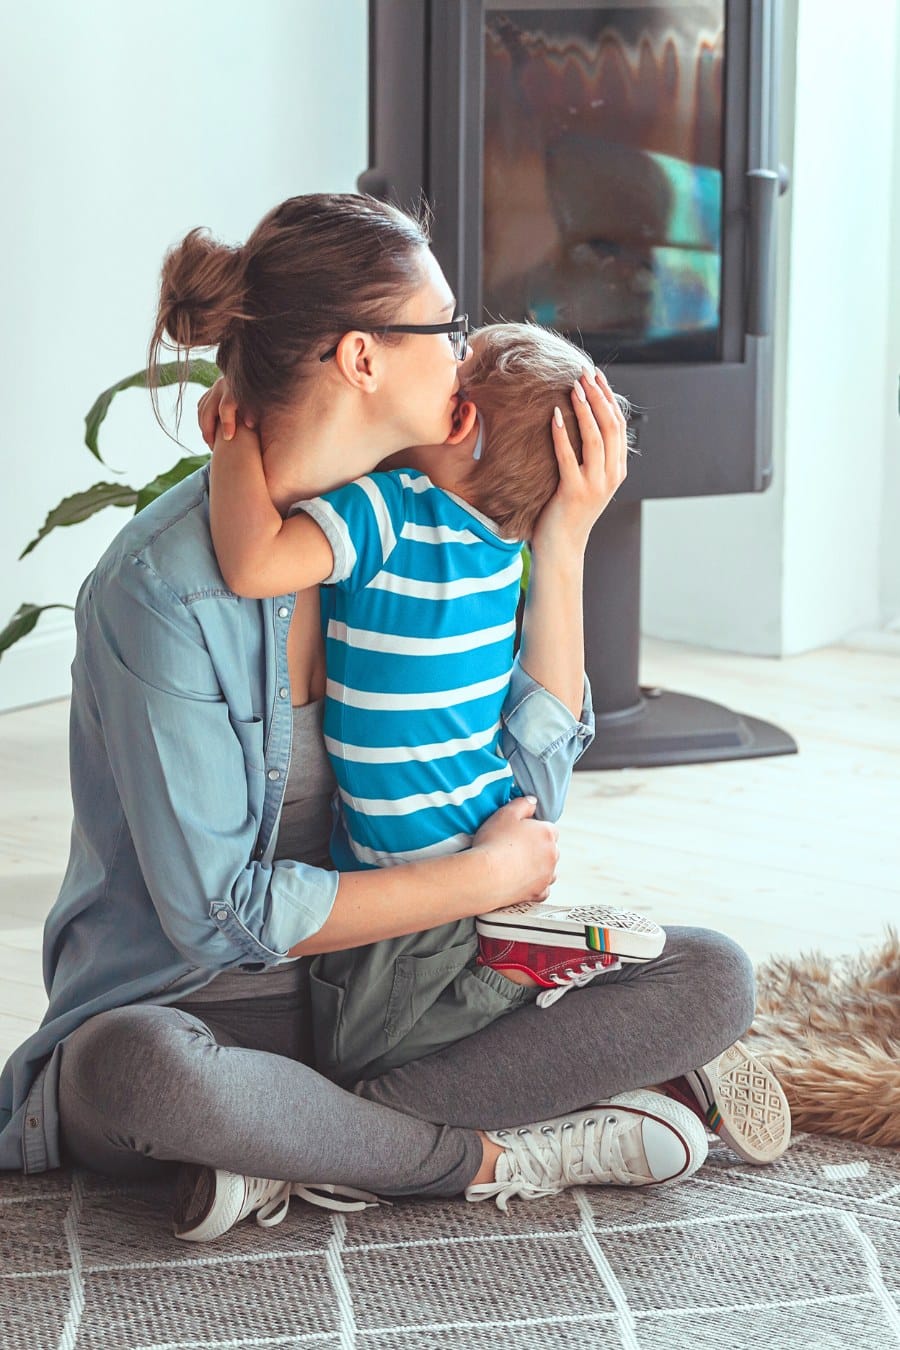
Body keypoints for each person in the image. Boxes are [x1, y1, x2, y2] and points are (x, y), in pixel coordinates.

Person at [0, 194, 786, 1247]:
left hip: (401, 988)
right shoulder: (164, 592)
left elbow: (518, 795)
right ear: (363, 358)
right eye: (446, 327)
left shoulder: (433, 521)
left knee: (711, 975)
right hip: (210, 1008)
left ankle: (303, 1149)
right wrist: (484, 882)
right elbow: (216, 919)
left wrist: (560, 547)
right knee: (133, 1070)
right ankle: (485, 1154)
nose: (466, 352)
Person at [207, 318, 663, 1029]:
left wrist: (234, 429)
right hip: (484, 826)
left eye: (456, 358)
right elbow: (545, 763)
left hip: (406, 876)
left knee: (367, 1048)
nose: (443, 359)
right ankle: (565, 1005)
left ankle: (529, 991)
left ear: (459, 416)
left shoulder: (388, 512)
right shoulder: (502, 552)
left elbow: (253, 564)